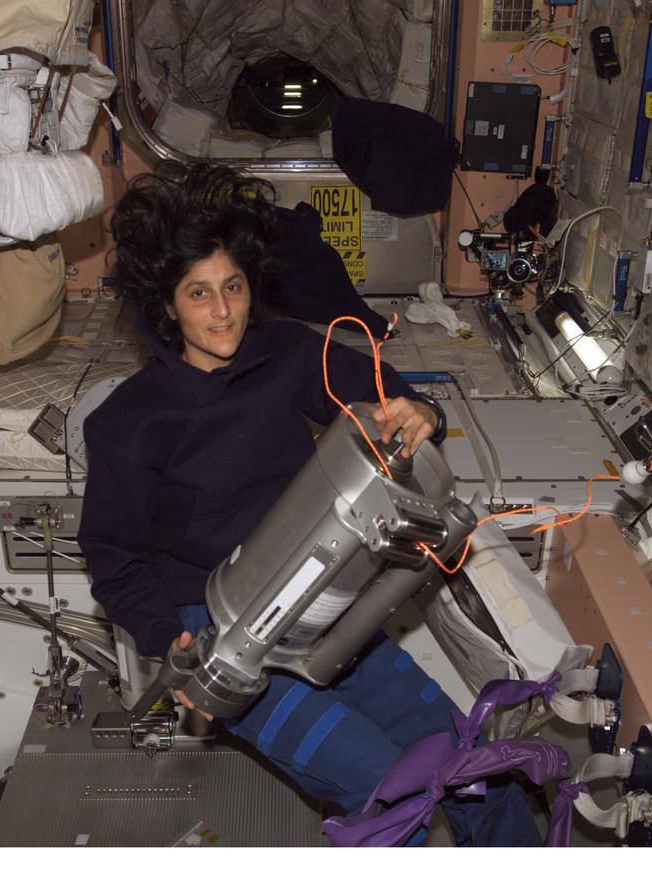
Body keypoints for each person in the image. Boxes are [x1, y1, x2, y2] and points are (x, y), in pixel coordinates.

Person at [78, 161, 540, 846]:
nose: (224, 309)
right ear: (166, 305)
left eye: (232, 286)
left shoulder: (288, 353)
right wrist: (163, 636)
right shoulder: (127, 423)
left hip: (320, 594)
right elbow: (113, 556)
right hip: (220, 626)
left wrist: (418, 410)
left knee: (479, 768)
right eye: (198, 293)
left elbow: (389, 395)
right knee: (388, 789)